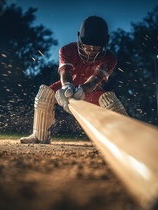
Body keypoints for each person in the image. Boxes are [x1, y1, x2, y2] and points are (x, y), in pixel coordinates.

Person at [20, 16, 128, 144]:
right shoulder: (67, 50)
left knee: (110, 102)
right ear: (79, 37)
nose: (92, 48)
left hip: (91, 90)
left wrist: (82, 90)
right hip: (69, 85)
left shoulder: (110, 58)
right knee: (45, 95)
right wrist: (66, 86)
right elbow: (65, 71)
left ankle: (127, 139)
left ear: (106, 40)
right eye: (87, 43)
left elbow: (95, 80)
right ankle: (39, 135)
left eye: (97, 44)